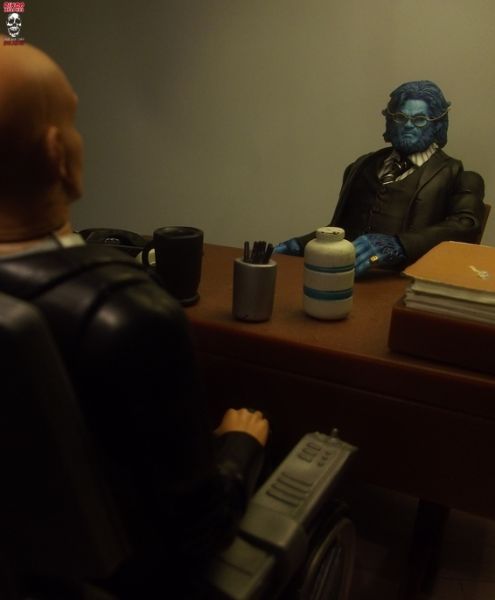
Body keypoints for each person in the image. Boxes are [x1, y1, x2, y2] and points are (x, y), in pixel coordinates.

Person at [0, 39, 269, 596]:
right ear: (58, 154)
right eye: (73, 122)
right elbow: (201, 528)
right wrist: (239, 447)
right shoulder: (128, 314)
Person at [275, 80, 485, 276]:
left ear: (437, 125)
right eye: (401, 117)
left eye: (420, 119)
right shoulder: (361, 166)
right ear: (390, 121)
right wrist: (301, 245)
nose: (408, 125)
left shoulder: (458, 176)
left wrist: (400, 245)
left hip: (409, 284)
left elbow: (464, 228)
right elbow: (341, 229)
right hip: (346, 277)